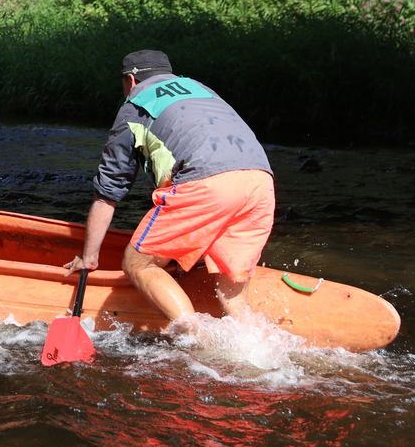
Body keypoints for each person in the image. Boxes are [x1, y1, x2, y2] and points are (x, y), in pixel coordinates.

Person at [63, 50, 275, 328]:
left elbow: (109, 192)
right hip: (261, 181)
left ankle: (198, 338)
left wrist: (88, 257)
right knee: (231, 287)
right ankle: (256, 347)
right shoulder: (201, 89)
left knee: (138, 264)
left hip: (207, 184)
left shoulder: (134, 107)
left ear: (130, 79)